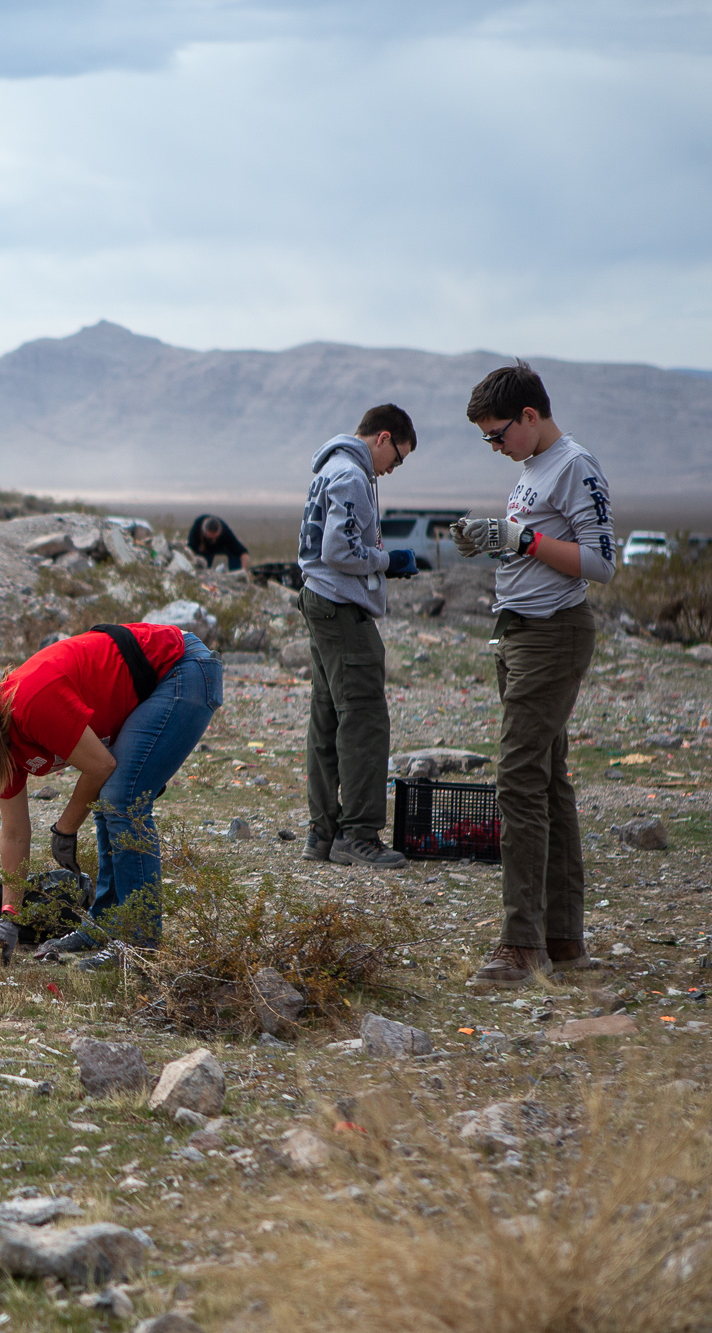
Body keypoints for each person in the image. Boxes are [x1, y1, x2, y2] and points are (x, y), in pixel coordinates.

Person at [0, 621, 221, 968]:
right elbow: (14, 835)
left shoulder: (29, 704)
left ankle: (140, 944)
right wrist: (8, 920)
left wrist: (65, 828)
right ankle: (106, 924)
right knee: (112, 797)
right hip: (158, 682)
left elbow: (100, 766)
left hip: (182, 668)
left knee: (121, 797)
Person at [451, 361, 615, 988]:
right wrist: (493, 539)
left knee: (520, 776)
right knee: (546, 779)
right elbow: (533, 539)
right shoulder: (532, 469)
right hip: (519, 631)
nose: (495, 447)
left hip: (553, 634)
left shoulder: (575, 465)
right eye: (486, 439)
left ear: (529, 416)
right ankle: (562, 939)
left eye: (498, 434)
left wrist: (516, 541)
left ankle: (522, 945)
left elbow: (599, 563)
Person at [296, 404, 421, 869]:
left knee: (327, 716)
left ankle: (322, 833)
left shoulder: (331, 468)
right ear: (382, 438)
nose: (392, 469)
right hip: (340, 606)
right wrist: (389, 561)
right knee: (365, 717)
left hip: (320, 600)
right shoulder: (350, 474)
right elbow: (340, 549)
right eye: (398, 458)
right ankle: (360, 835)